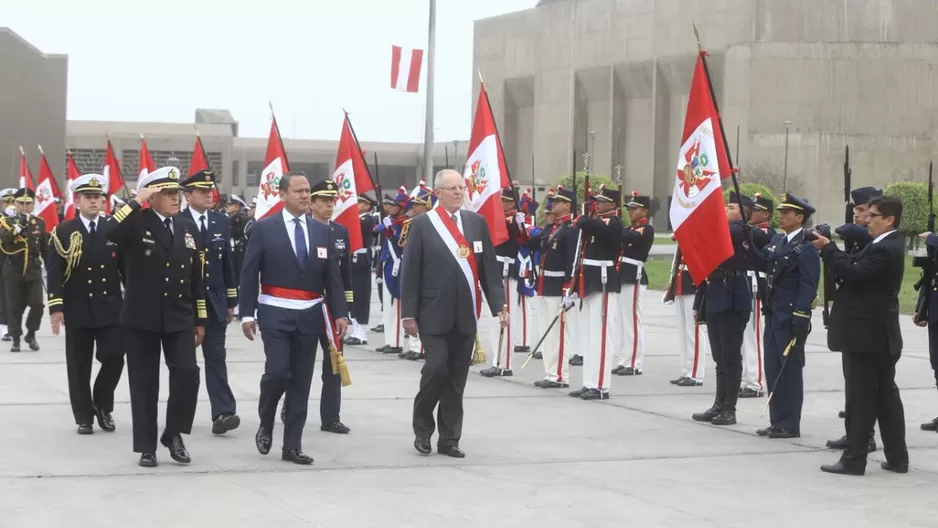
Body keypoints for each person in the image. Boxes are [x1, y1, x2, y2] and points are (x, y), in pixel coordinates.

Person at [238, 171, 348, 465]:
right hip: (274, 311)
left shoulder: (323, 231)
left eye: (306, 191)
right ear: (283, 195)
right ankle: (266, 418)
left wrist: (340, 314)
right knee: (277, 372)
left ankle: (292, 445)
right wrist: (246, 313)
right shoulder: (265, 228)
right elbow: (250, 273)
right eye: (298, 191)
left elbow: (332, 278)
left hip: (310, 314)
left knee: (301, 380)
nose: (304, 196)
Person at [401, 169, 506, 458]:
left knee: (457, 377)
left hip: (466, 314)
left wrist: (500, 305)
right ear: (437, 193)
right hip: (432, 313)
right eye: (452, 188)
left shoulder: (475, 223)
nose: (459, 192)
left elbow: (489, 272)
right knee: (436, 369)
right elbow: (410, 272)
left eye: (462, 187)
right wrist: (408, 313)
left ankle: (449, 439)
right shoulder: (422, 224)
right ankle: (423, 430)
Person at [108, 166, 207, 467]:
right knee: (144, 382)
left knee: (188, 374)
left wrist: (200, 319)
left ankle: (173, 432)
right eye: (167, 193)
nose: (175, 197)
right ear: (152, 197)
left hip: (178, 316)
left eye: (177, 192)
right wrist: (136, 201)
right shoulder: (135, 223)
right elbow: (107, 232)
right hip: (142, 317)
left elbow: (196, 277)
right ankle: (147, 445)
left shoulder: (187, 228)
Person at [814, 195, 908, 475]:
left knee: (862, 398)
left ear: (889, 219)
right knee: (884, 399)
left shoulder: (886, 248)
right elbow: (855, 268)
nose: (867, 220)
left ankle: (854, 459)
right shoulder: (882, 244)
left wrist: (829, 248)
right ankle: (897, 457)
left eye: (873, 216)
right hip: (877, 335)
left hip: (869, 336)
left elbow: (854, 273)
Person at [46, 174, 125, 435]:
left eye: (97, 197)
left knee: (115, 356)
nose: (94, 201)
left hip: (111, 307)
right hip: (78, 307)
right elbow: (55, 272)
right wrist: (56, 308)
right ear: (77, 200)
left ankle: (102, 403)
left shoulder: (113, 228)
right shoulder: (63, 231)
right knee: (79, 364)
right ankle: (84, 416)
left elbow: (126, 270)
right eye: (88, 197)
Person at [750, 193, 820, 438]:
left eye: (787, 213)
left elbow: (808, 285)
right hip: (773, 313)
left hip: (790, 316)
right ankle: (776, 420)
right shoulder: (779, 241)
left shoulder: (806, 248)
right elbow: (764, 263)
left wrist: (801, 315)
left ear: (800, 218)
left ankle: (790, 423)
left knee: (788, 370)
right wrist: (746, 242)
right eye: (780, 212)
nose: (781, 216)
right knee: (772, 367)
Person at [286, 178, 352, 434]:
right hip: (306, 306)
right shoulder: (300, 230)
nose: (329, 205)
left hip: (332, 310)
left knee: (334, 365)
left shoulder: (340, 233)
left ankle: (331, 416)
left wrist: (345, 310)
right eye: (323, 200)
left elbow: (343, 274)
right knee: (297, 365)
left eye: (331, 200)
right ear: (311, 203)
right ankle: (290, 407)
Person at [181, 170, 240, 435]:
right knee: (184, 365)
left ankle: (224, 412)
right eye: (202, 191)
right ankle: (181, 416)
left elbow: (227, 263)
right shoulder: (177, 221)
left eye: (210, 191)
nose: (208, 195)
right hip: (185, 305)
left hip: (215, 303)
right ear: (187, 195)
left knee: (216, 357)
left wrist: (231, 300)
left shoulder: (220, 222)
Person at [827, 186, 882, 451]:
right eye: (857, 211)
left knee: (864, 383)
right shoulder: (862, 239)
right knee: (852, 381)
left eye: (862, 211)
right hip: (851, 316)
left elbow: (850, 232)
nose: (859, 216)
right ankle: (855, 431)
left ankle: (865, 435)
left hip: (868, 321)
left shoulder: (875, 238)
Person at [691, 200, 752, 426]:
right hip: (715, 295)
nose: (726, 209)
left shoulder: (742, 232)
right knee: (719, 357)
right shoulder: (719, 232)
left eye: (732, 208)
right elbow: (706, 272)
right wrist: (700, 304)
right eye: (725, 206)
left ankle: (730, 408)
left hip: (733, 298)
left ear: (744, 214)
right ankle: (719, 403)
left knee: (731, 356)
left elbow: (730, 233)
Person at [568, 185, 622, 400]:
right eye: (596, 201)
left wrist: (583, 217)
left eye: (601, 201)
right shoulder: (596, 222)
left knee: (600, 337)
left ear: (613, 204)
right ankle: (589, 382)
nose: (597, 204)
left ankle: (600, 386)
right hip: (589, 282)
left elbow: (592, 226)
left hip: (603, 281)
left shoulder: (613, 223)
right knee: (590, 337)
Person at [527, 186, 578, 388]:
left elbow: (571, 261)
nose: (552, 205)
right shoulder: (554, 227)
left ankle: (560, 375)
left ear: (567, 205)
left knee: (558, 333)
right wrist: (526, 229)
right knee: (547, 331)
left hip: (558, 286)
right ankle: (551, 373)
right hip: (544, 285)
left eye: (557, 202)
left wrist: (568, 287)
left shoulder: (571, 229)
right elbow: (535, 244)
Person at [480, 188, 527, 377]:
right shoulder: (500, 219)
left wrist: (520, 224)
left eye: (502, 202)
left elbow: (521, 236)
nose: (498, 205)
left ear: (510, 204)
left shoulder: (512, 220)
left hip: (506, 271)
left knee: (504, 317)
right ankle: (497, 360)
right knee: (494, 318)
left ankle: (504, 364)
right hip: (494, 269)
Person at [0, 187, 48, 352]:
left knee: (38, 305)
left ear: (33, 205)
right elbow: (5, 239)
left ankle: (31, 333)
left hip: (33, 271)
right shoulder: (6, 221)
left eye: (28, 204)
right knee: (13, 307)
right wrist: (19, 226)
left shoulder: (39, 222)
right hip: (13, 269)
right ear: (15, 203)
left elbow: (44, 248)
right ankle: (15, 338)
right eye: (21, 203)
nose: (25, 207)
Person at [740, 193, 776, 398]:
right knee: (745, 335)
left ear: (766, 214)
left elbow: (756, 238)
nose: (751, 213)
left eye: (756, 210)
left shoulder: (765, 232)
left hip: (756, 283)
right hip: (745, 282)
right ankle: (747, 378)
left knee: (753, 334)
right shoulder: (751, 230)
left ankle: (756, 382)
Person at [615, 192, 654, 376]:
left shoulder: (645, 229)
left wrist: (617, 226)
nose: (631, 212)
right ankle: (625, 359)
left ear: (644, 211)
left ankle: (634, 363)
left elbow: (630, 238)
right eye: (629, 208)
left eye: (635, 208)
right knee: (623, 321)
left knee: (632, 320)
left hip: (634, 275)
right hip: (623, 275)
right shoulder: (631, 228)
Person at [375, 187, 409, 355]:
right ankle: (390, 340)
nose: (391, 208)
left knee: (396, 306)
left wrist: (390, 229)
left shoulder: (404, 222)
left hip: (398, 266)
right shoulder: (392, 221)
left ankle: (396, 342)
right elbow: (378, 229)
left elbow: (399, 240)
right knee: (388, 307)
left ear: (402, 207)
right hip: (388, 265)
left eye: (394, 205)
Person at [669, 252, 709, 387]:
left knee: (694, 332)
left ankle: (695, 373)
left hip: (693, 283)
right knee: (684, 332)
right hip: (682, 282)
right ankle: (686, 370)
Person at [346, 194, 378, 346]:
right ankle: (356, 330)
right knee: (353, 296)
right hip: (352, 259)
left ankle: (361, 333)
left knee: (362, 296)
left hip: (361, 260)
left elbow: (359, 230)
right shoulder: (356, 219)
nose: (357, 205)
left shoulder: (367, 220)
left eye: (360, 203)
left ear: (367, 206)